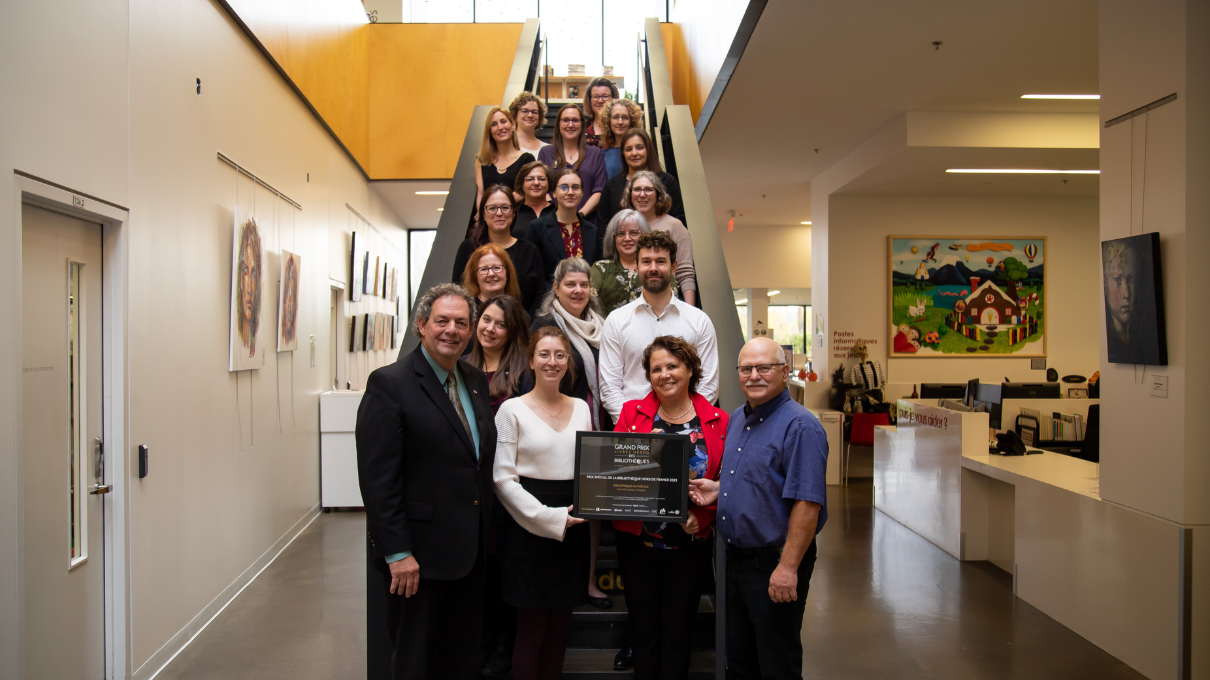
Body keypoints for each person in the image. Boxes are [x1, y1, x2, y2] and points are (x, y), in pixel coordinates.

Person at [356, 283, 498, 680]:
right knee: (416, 663)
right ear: (422, 325)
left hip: (468, 556)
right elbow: (378, 481)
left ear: (471, 331)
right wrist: (398, 553)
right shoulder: (390, 384)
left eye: (461, 323)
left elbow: (474, 462)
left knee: (459, 660)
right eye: (442, 321)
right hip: (417, 560)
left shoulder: (473, 379)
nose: (452, 330)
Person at [688, 337, 829, 680]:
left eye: (764, 367)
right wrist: (719, 490)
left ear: (784, 371)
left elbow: (807, 503)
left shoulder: (801, 426)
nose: (754, 376)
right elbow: (758, 479)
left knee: (776, 662)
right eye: (746, 369)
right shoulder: (739, 417)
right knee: (740, 660)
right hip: (735, 561)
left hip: (774, 563)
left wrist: (788, 568)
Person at [611, 335, 727, 680]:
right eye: (656, 369)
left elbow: (726, 483)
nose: (664, 375)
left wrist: (703, 517)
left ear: (690, 369)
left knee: (678, 633)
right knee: (643, 631)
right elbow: (616, 474)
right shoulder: (632, 413)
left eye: (672, 366)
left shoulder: (719, 421)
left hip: (688, 547)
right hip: (638, 544)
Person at [493, 326, 592, 680]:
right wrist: (549, 517)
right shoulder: (511, 410)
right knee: (531, 630)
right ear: (531, 361)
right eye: (544, 354)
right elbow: (502, 479)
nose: (552, 362)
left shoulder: (582, 408)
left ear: (568, 363)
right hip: (527, 527)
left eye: (560, 355)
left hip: (573, 526)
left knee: (559, 629)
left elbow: (591, 467)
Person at [529, 257, 613, 609]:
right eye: (570, 284)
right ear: (556, 288)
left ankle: (589, 580)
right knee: (565, 503)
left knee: (591, 506)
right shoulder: (545, 324)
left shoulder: (602, 325)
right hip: (560, 425)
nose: (578, 291)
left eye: (583, 285)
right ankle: (560, 582)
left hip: (597, 424)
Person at [464, 294, 534, 677]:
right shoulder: (461, 366)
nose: (490, 328)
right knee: (478, 569)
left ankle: (504, 645)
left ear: (512, 332)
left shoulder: (523, 375)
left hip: (509, 486)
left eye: (500, 324)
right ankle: (481, 643)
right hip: (470, 488)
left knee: (506, 567)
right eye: (486, 320)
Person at [599, 230, 718, 422]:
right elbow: (609, 387)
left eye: (661, 261)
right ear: (637, 266)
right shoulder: (616, 321)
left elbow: (708, 385)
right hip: (633, 429)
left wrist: (685, 426)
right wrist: (636, 428)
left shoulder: (699, 321)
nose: (653, 268)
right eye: (646, 262)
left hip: (687, 430)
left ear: (674, 266)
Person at [454, 185, 545, 315]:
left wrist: (526, 324)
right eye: (492, 208)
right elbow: (458, 291)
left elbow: (539, 295)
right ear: (483, 214)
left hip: (522, 324)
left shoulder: (530, 250)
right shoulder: (468, 248)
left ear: (514, 213)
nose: (499, 213)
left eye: (505, 208)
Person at [595, 128, 686, 248]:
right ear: (623, 153)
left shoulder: (667, 182)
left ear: (648, 150)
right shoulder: (612, 185)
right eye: (628, 149)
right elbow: (603, 227)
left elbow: (677, 220)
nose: (634, 153)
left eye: (639, 147)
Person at [621, 171, 696, 305]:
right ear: (630, 195)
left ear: (658, 195)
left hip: (666, 301)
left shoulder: (674, 226)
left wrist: (689, 311)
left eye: (648, 189)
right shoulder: (622, 227)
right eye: (637, 189)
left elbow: (685, 273)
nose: (642, 195)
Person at [590, 209, 678, 317]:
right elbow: (590, 304)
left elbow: (671, 301)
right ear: (613, 239)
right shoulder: (600, 268)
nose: (627, 238)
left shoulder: (658, 269)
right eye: (620, 233)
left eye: (634, 233)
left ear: (645, 236)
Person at [527, 169, 601, 287]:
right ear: (554, 193)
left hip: (584, 295)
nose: (570, 192)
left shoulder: (592, 231)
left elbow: (596, 273)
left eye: (576, 187)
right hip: (550, 296)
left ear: (582, 193)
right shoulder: (537, 227)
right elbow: (533, 274)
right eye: (564, 187)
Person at [538, 104, 606, 215]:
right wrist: (557, 216)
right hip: (553, 219)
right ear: (558, 124)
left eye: (575, 120)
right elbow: (541, 188)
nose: (570, 125)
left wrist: (579, 216)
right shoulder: (545, 153)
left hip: (587, 219)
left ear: (582, 124)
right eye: (565, 120)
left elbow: (599, 190)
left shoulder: (595, 154)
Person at [477, 106, 535, 213]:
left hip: (517, 217)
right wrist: (481, 215)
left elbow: (524, 193)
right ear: (490, 131)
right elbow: (480, 193)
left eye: (503, 122)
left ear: (513, 125)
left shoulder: (527, 159)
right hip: (490, 218)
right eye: (494, 124)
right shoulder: (482, 160)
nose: (500, 127)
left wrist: (497, 206)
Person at [459, 243, 522, 314]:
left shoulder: (518, 314)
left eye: (496, 268)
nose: (491, 274)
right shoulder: (466, 312)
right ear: (475, 277)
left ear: (507, 273)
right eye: (484, 269)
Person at [596, 98, 644, 179]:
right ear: (608, 121)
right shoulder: (603, 156)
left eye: (625, 117)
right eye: (615, 117)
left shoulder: (641, 152)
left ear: (632, 121)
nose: (620, 122)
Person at [512, 161, 555, 243]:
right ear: (522, 184)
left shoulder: (557, 212)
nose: (536, 183)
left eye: (541, 179)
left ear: (548, 183)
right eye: (530, 179)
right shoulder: (513, 213)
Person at [582, 77, 619, 149]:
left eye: (605, 96)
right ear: (589, 100)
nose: (600, 101)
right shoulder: (581, 129)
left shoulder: (620, 127)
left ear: (613, 99)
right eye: (595, 97)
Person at [509, 91, 549, 157]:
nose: (530, 115)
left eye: (534, 112)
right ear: (515, 115)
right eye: (525, 111)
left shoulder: (548, 149)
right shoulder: (506, 145)